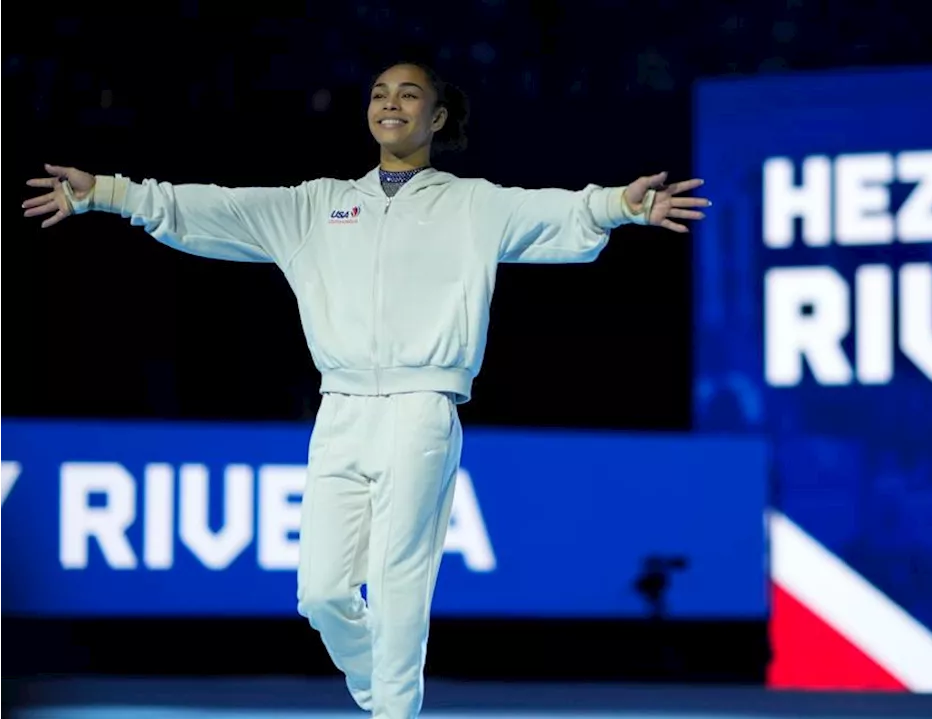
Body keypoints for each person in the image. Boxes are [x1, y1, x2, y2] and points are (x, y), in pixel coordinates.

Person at [21, 60, 709, 719]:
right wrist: (108, 192)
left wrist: (620, 206)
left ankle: (393, 709)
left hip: (422, 405)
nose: (390, 102)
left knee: (399, 577)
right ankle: (375, 683)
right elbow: (213, 209)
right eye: (381, 91)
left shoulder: (472, 204)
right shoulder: (317, 205)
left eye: (409, 94)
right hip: (341, 409)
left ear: (436, 117)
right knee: (320, 592)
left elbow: (555, 215)